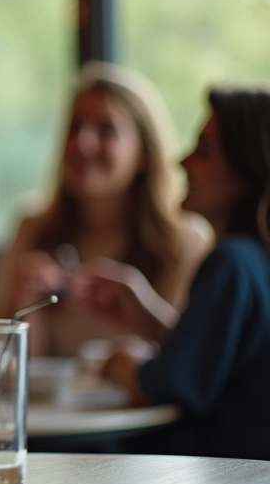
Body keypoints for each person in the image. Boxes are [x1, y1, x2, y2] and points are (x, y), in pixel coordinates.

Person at [71, 86, 270, 461]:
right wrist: (148, 319)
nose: (183, 162)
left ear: (246, 170)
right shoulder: (255, 260)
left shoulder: (232, 261)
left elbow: (170, 386)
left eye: (204, 151)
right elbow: (214, 363)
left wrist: (120, 364)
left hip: (231, 478)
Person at [0, 62, 211, 357]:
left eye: (106, 129)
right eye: (75, 126)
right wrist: (25, 300)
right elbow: (13, 368)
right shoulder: (32, 228)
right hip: (50, 404)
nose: (82, 143)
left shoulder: (184, 241)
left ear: (144, 155)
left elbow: (189, 360)